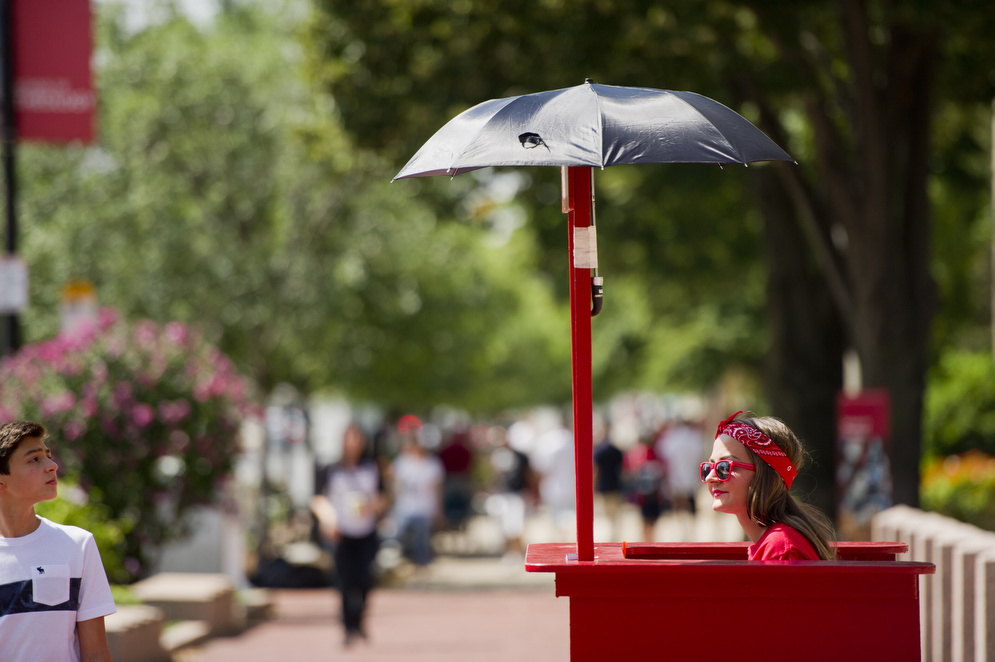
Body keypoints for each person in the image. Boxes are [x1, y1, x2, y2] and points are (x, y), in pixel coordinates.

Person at [0, 421, 117, 662]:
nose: (52, 466)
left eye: (48, 456)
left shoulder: (77, 545)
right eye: (34, 460)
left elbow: (95, 653)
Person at [704, 411, 836, 560]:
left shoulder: (782, 549)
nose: (710, 477)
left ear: (766, 474)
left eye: (724, 467)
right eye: (708, 468)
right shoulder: (777, 543)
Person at [310, 423, 387, 647]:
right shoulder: (331, 469)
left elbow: (384, 497)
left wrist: (371, 508)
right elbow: (318, 498)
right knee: (344, 581)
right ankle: (347, 626)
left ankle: (359, 620)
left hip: (366, 530)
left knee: (365, 579)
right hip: (341, 533)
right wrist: (328, 519)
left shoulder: (372, 467)